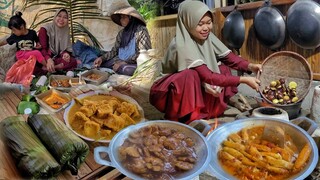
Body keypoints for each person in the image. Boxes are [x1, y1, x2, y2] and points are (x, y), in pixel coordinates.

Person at [149, 0, 262, 124]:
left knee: (223, 69)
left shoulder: (207, 37)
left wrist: (251, 66)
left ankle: (207, 111)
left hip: (195, 80)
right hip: (168, 92)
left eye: (209, 23)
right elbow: (207, 76)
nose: (206, 28)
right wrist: (245, 80)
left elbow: (229, 58)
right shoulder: (181, 45)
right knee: (190, 75)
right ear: (188, 23)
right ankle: (186, 117)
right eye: (200, 24)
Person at [93, 6, 152, 76]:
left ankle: (120, 68)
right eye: (121, 17)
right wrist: (102, 58)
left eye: (124, 17)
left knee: (126, 70)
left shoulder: (141, 31)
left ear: (131, 19)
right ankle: (118, 67)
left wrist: (124, 62)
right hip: (120, 59)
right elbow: (114, 51)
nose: (121, 20)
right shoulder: (121, 33)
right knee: (101, 64)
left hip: (135, 62)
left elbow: (144, 53)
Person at [37, 8, 77, 74]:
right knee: (36, 62)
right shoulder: (45, 29)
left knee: (73, 61)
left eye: (65, 17)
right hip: (44, 57)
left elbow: (66, 48)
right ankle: (53, 67)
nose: (61, 19)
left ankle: (51, 68)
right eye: (59, 16)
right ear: (55, 17)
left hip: (56, 58)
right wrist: (48, 59)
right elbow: (42, 48)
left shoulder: (65, 30)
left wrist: (65, 54)